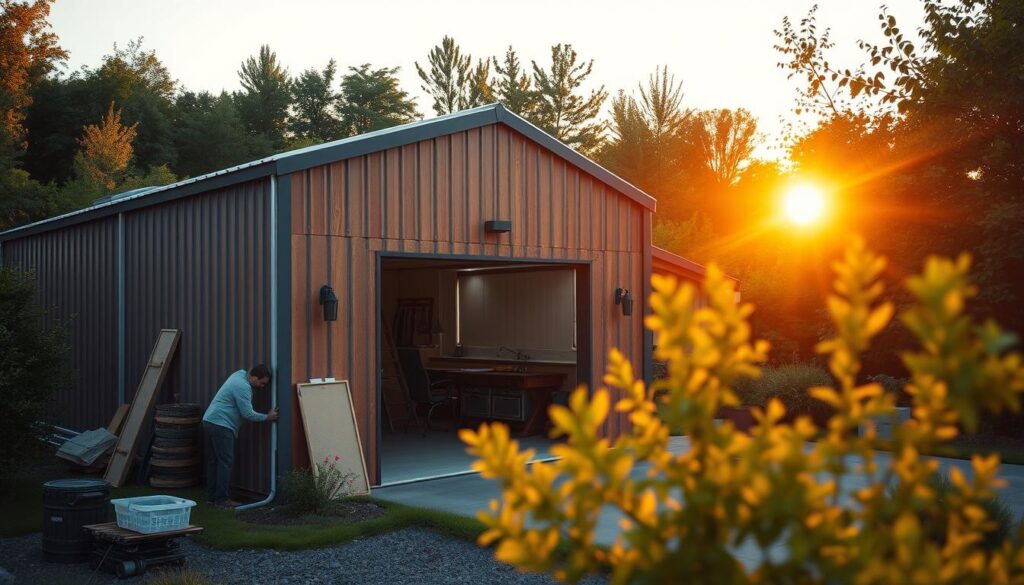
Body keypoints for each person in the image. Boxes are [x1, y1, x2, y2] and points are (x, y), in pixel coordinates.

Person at [202, 365, 278, 507]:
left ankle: (212, 498)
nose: (262, 387)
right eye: (262, 383)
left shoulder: (238, 375)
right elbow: (247, 414)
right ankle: (222, 500)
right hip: (221, 425)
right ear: (253, 377)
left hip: (210, 420)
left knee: (214, 461)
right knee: (225, 462)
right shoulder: (242, 387)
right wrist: (267, 417)